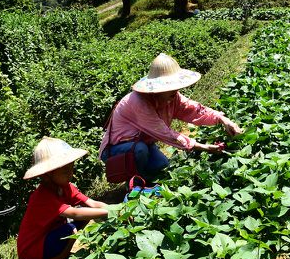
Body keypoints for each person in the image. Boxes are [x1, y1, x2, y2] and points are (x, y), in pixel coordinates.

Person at [99, 53, 243, 183]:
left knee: (162, 165)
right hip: (117, 150)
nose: (176, 90)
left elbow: (195, 110)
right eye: (171, 86)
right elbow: (165, 133)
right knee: (140, 150)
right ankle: (137, 184)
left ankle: (143, 175)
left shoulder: (172, 96)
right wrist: (203, 147)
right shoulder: (139, 102)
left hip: (142, 143)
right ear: (157, 88)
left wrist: (223, 119)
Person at [17, 137, 108, 259]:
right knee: (70, 229)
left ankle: (57, 258)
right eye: (65, 170)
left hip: (50, 236)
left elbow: (91, 203)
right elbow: (74, 213)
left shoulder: (66, 187)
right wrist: (109, 212)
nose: (70, 173)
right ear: (48, 174)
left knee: (82, 219)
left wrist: (117, 209)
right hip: (33, 248)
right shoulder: (42, 197)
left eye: (71, 168)